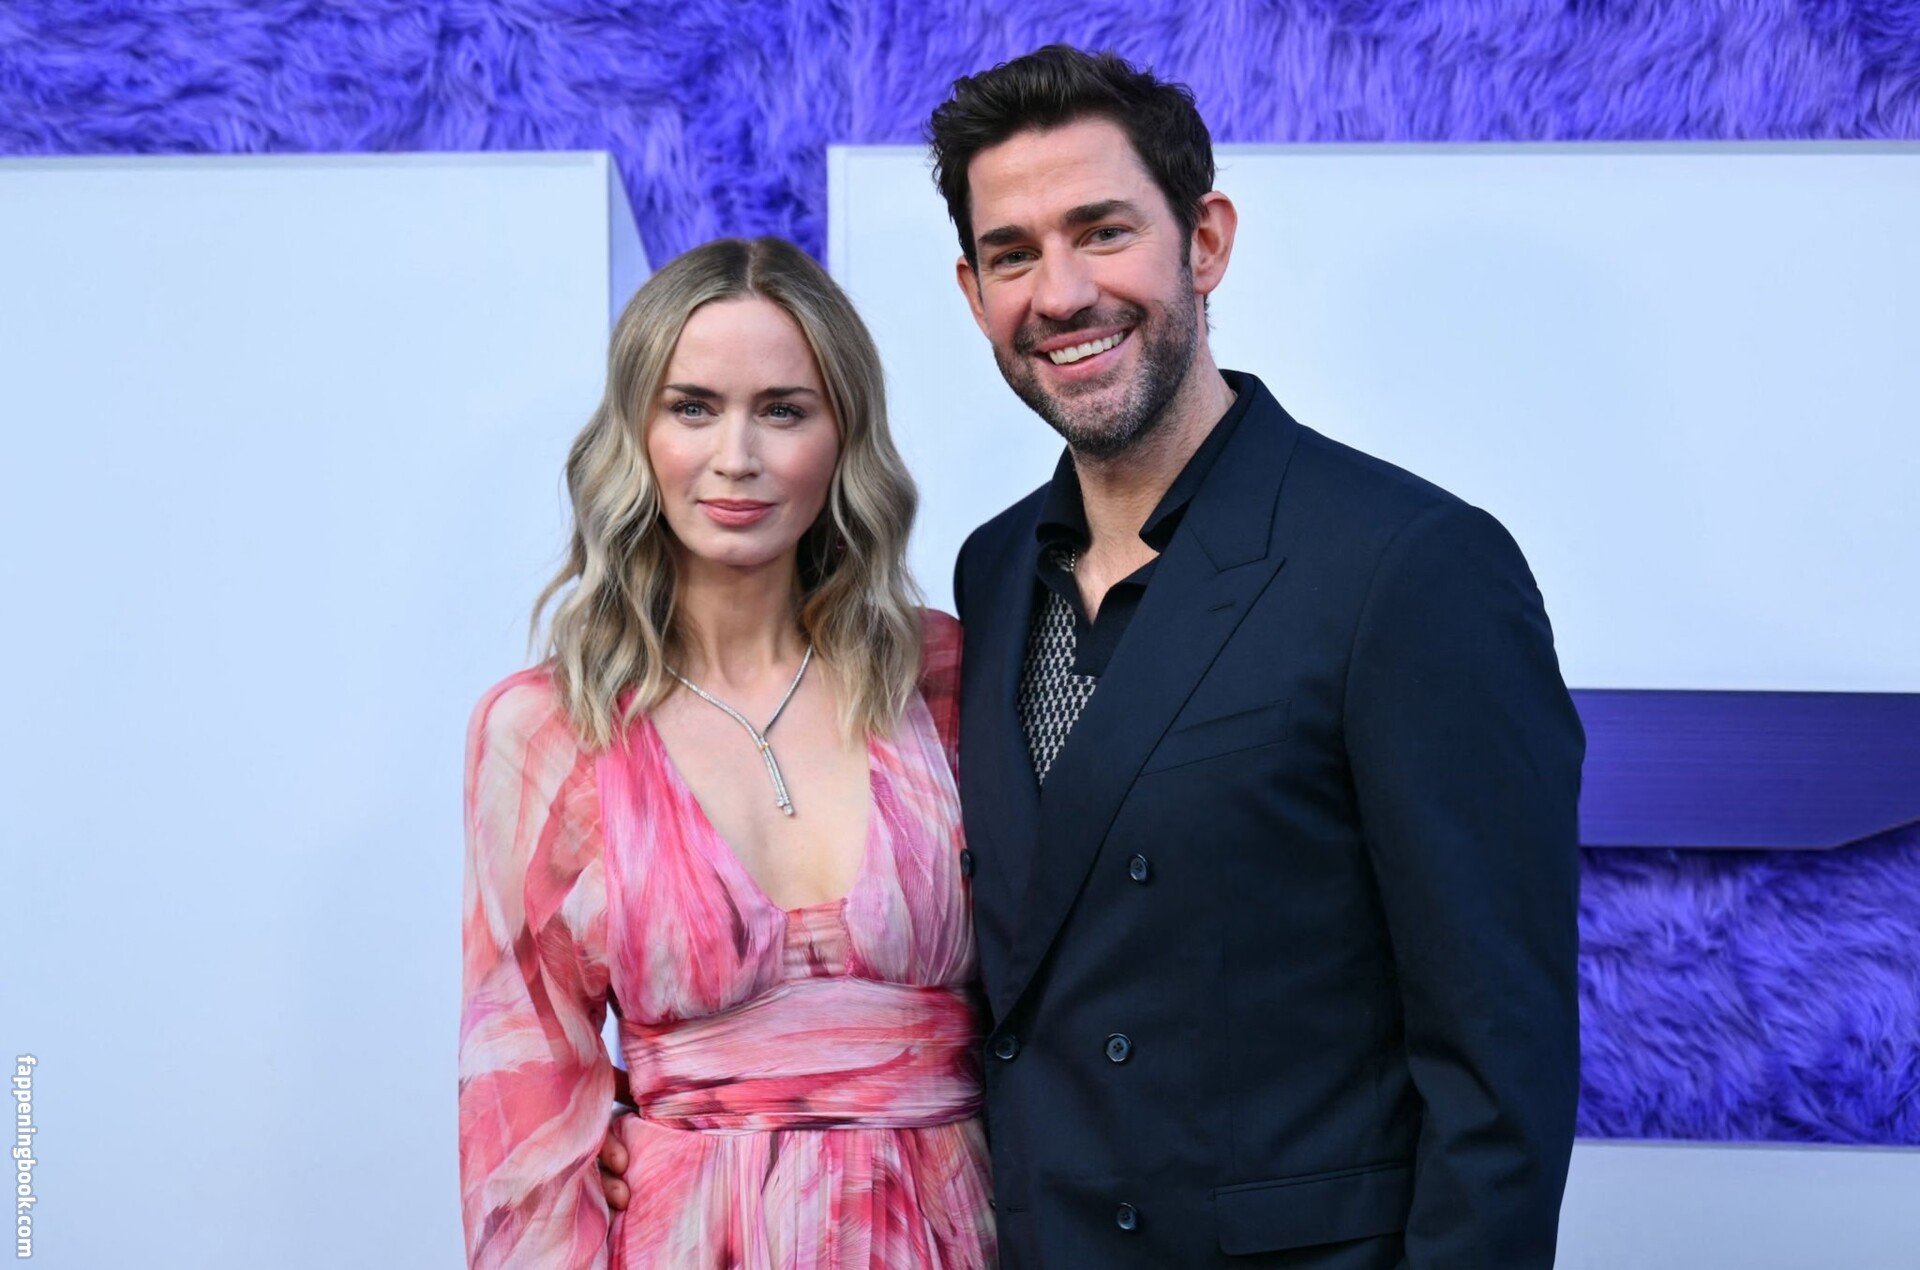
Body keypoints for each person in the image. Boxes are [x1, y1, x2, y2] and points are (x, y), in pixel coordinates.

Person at [921, 45, 1586, 1267]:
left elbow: (1500, 1064)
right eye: (1013, 254)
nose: (1061, 294)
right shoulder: (992, 570)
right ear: (973, 293)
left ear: (1206, 241)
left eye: (1103, 231)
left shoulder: (1410, 565)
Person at [459, 236, 995, 1269]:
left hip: (951, 1236)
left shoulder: (946, 676)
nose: (736, 456)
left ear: (844, 436)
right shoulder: (546, 727)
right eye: (693, 407)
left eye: (783, 410)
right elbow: (519, 1103)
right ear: (637, 431)